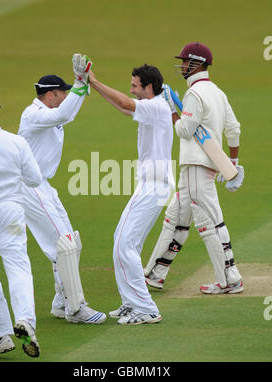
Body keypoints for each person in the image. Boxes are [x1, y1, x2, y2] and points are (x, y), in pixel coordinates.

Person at [144, 42, 245, 294]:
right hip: (206, 166)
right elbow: (234, 129)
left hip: (195, 167)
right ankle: (155, 272)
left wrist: (169, 109)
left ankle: (230, 278)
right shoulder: (218, 93)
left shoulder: (194, 94)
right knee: (176, 218)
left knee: (210, 221)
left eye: (186, 62)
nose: (183, 66)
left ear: (198, 64)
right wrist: (232, 162)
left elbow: (183, 131)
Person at [18, 54, 106, 324]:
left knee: (71, 242)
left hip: (43, 185)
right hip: (28, 186)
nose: (66, 96)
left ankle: (60, 301)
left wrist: (81, 84)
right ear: (51, 95)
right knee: (63, 245)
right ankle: (76, 308)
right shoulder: (34, 114)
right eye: (63, 93)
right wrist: (80, 83)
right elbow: (66, 113)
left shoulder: (51, 112)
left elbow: (69, 112)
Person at [89, 64, 175, 324]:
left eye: (136, 86)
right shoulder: (155, 106)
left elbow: (126, 104)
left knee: (124, 244)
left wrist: (94, 81)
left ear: (149, 87)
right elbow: (124, 107)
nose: (132, 90)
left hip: (154, 185)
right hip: (151, 185)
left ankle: (146, 308)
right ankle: (131, 303)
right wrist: (94, 85)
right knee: (125, 242)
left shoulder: (156, 107)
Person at [0, 95, 42, 357]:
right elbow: (35, 180)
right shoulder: (16, 142)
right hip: (10, 212)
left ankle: (1, 336)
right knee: (18, 267)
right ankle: (25, 320)